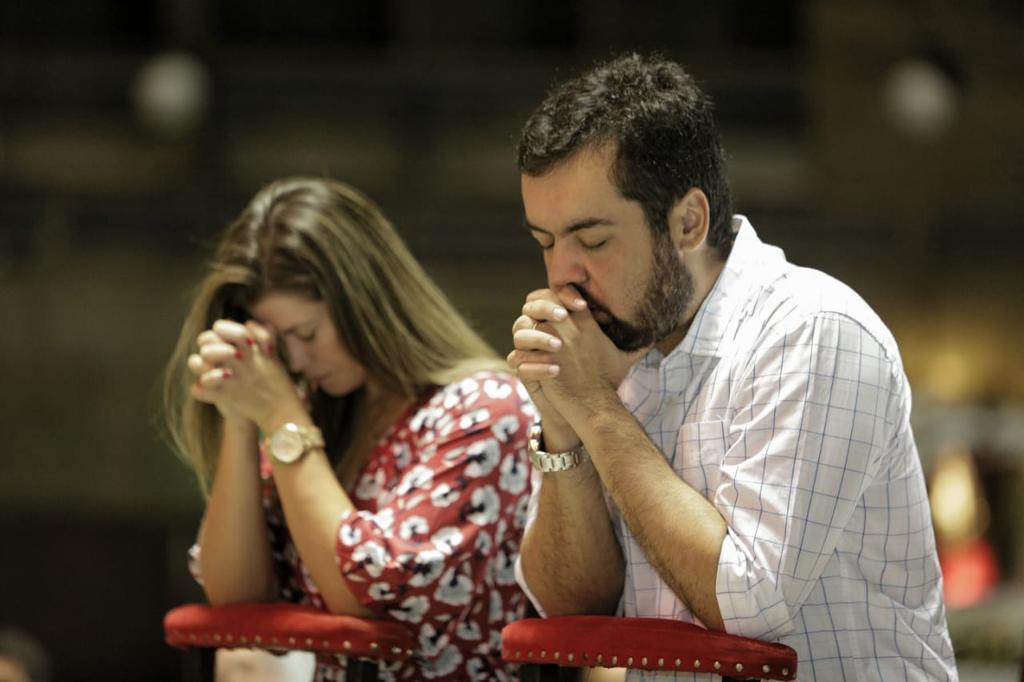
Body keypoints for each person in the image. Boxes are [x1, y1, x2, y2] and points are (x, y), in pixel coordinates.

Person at [507, 54, 957, 680]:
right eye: (546, 243)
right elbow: (565, 604)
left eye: (594, 240)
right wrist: (563, 431)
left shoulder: (812, 328)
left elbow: (747, 604)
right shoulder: (617, 349)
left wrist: (595, 407)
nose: (562, 276)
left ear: (688, 222)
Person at [164, 177, 535, 681]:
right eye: (278, 345)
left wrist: (281, 419)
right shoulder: (316, 418)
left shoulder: (485, 409)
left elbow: (367, 593)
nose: (296, 361)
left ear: (365, 301)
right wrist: (240, 416)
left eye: (306, 334)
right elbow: (234, 595)